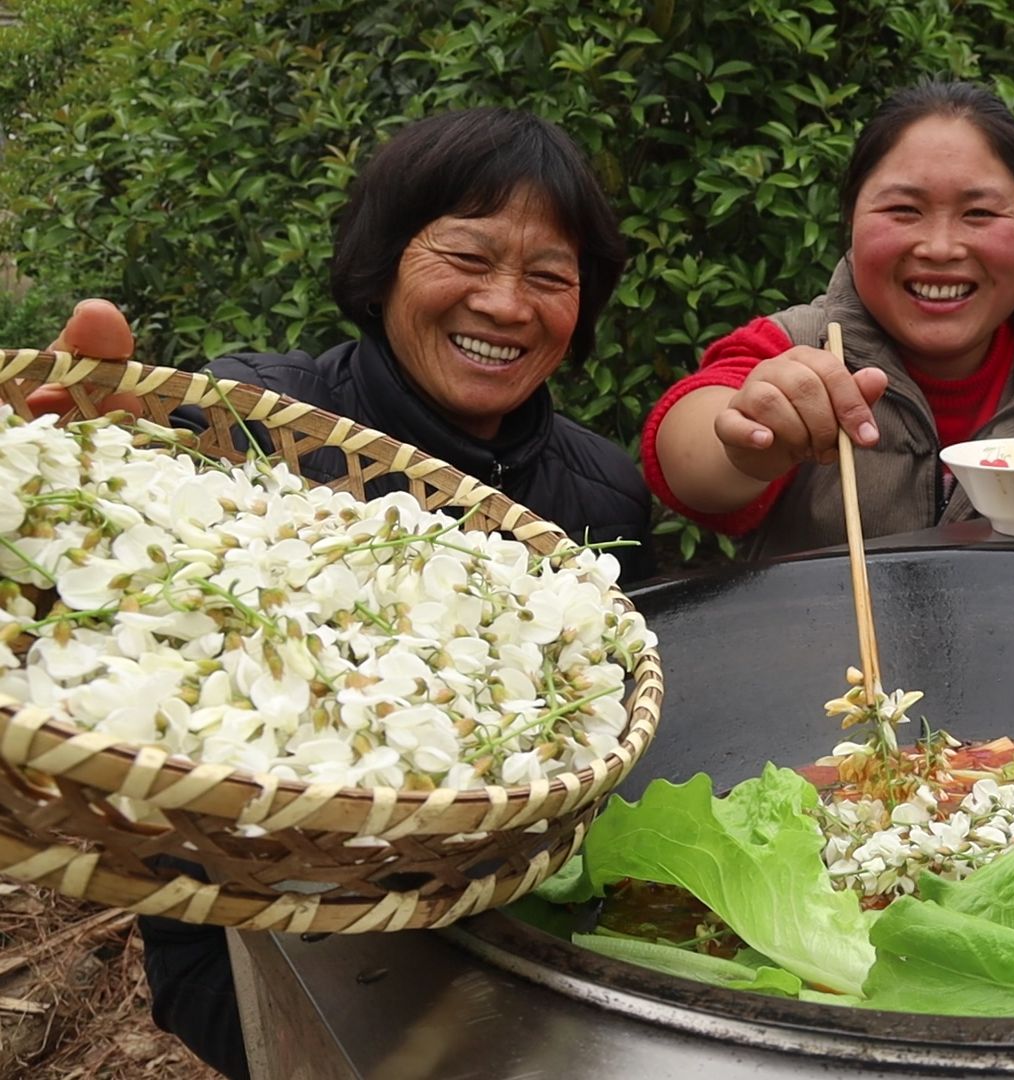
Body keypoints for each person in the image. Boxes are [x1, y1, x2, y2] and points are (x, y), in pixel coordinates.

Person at [41, 107, 656, 1079]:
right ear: (382, 266)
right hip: (264, 937)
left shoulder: (603, 496)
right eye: (466, 256)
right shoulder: (255, 432)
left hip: (511, 949)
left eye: (549, 276)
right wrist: (68, 496)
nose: (506, 304)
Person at [643, 79, 1014, 556]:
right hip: (835, 680)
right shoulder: (794, 347)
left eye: (980, 213)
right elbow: (685, 455)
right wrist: (752, 438)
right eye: (903, 210)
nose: (940, 247)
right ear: (852, 223)